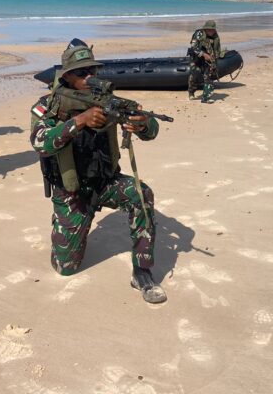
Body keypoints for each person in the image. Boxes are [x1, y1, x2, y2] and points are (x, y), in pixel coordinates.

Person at [29, 45, 166, 304]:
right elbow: (39, 142)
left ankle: (142, 271)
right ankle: (66, 221)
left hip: (106, 182)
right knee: (65, 267)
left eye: (92, 70)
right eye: (81, 73)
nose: (89, 76)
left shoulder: (106, 99)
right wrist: (79, 121)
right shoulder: (48, 105)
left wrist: (143, 124)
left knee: (142, 194)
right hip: (72, 191)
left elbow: (151, 132)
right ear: (67, 76)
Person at [187, 19, 221, 103]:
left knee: (208, 77)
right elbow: (194, 47)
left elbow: (217, 49)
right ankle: (191, 92)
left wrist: (214, 61)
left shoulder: (215, 36)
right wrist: (204, 54)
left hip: (208, 59)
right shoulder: (199, 34)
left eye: (213, 29)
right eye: (209, 29)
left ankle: (206, 97)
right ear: (205, 29)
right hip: (196, 58)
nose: (211, 31)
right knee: (194, 75)